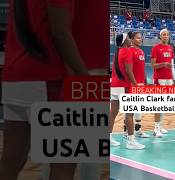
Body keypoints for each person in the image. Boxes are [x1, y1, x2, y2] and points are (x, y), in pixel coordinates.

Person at [0, 0, 89, 179]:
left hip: (14, 76)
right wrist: (85, 78)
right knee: (64, 163)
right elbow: (60, 34)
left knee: (11, 159)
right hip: (47, 78)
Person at [41, 1, 107, 180]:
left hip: (92, 73)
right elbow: (58, 31)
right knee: (64, 154)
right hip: (79, 71)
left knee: (89, 153)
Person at [109, 33, 145, 150]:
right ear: (125, 41)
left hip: (114, 85)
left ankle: (108, 138)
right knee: (130, 114)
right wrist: (135, 84)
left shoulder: (117, 52)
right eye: (128, 38)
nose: (130, 40)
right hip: (124, 86)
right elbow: (129, 72)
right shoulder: (127, 51)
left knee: (113, 113)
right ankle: (131, 141)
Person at [123, 31, 150, 138]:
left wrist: (145, 80)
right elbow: (127, 70)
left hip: (141, 84)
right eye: (138, 38)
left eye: (141, 38)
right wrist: (130, 84)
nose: (140, 39)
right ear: (132, 39)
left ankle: (138, 129)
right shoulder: (129, 51)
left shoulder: (141, 52)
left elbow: (142, 68)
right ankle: (126, 132)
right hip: (132, 84)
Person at [151, 28, 175, 137]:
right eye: (164, 35)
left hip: (169, 79)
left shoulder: (170, 48)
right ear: (160, 36)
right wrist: (163, 64)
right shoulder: (155, 48)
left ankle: (160, 126)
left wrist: (174, 79)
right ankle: (156, 128)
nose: (166, 36)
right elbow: (153, 65)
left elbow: (172, 65)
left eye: (167, 34)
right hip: (159, 78)